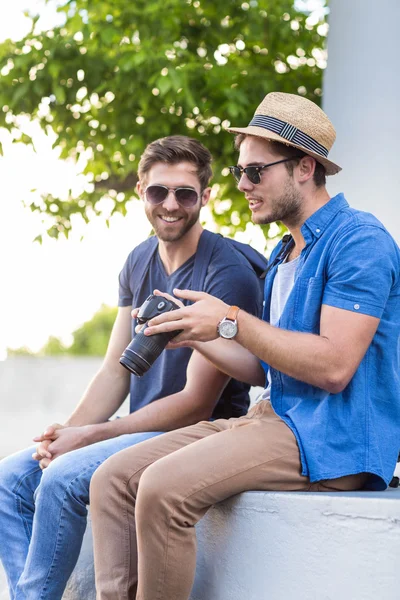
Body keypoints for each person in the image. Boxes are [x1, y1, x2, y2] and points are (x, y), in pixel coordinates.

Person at [90, 92, 400, 600]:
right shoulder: (285, 253)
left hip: (332, 440)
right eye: (239, 172)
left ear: (305, 167)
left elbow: (334, 367)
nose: (243, 185)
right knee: (112, 479)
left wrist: (230, 320)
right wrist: (199, 334)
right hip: (277, 418)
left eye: (256, 172)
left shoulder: (359, 240)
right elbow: (265, 368)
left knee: (162, 491)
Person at [0, 135, 267, 600]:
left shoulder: (227, 272)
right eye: (158, 191)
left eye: (185, 193)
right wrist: (64, 434)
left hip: (193, 435)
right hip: (131, 431)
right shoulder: (138, 260)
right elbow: (114, 372)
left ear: (206, 197)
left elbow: (193, 404)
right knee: (10, 479)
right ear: (140, 189)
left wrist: (90, 438)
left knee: (63, 480)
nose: (170, 204)